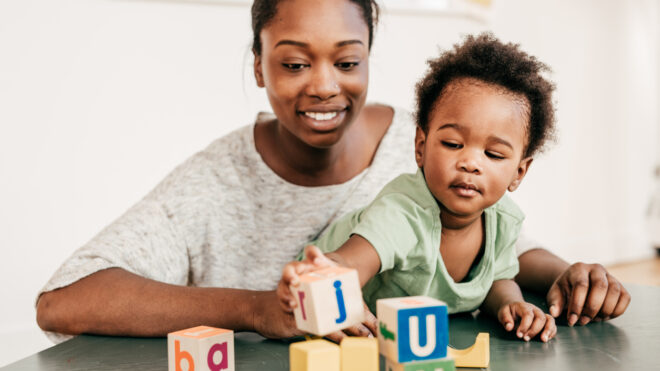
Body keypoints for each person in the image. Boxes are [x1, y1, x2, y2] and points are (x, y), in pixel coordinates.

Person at [36, 0, 629, 344]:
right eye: (294, 62)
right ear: (260, 68)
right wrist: (253, 310)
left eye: (347, 60)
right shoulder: (216, 180)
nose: (323, 85)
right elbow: (63, 302)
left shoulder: (437, 143)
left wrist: (569, 274)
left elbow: (499, 247)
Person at [279, 33, 558, 342]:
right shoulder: (403, 212)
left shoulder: (504, 219)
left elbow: (495, 279)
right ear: (421, 146)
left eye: (493, 154)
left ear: (519, 172)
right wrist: (322, 273)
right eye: (453, 144)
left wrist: (512, 304)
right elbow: (349, 262)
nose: (470, 163)